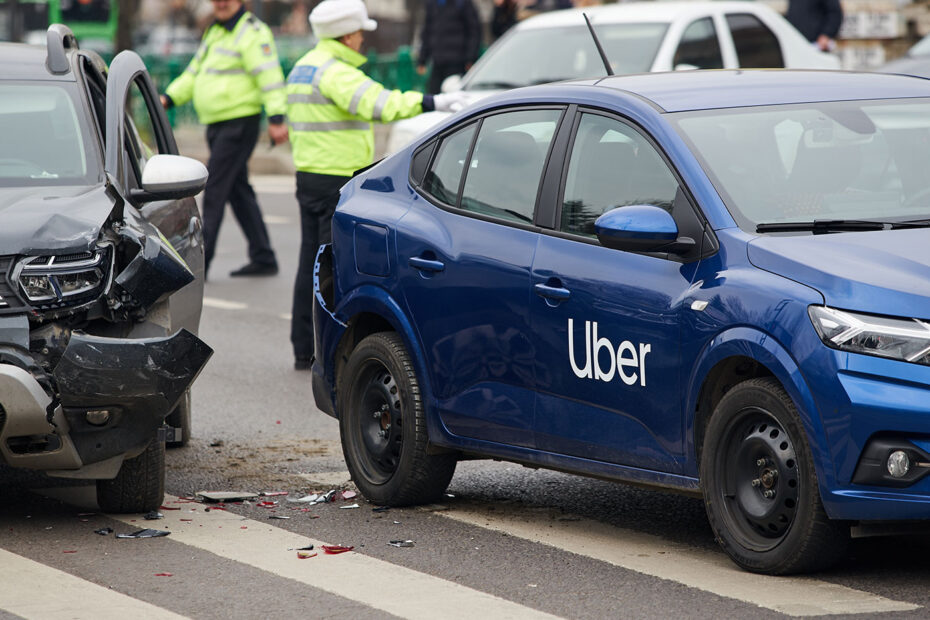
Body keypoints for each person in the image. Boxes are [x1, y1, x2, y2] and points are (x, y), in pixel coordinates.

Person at [287, 0, 465, 370]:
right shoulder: (337, 73)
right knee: (332, 269)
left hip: (308, 174)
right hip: (337, 176)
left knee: (311, 264)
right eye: (360, 33)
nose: (363, 40)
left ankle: (304, 346)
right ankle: (328, 351)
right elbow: (380, 105)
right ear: (348, 34)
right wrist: (433, 101)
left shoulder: (304, 67)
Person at [161, 0, 286, 278]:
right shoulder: (215, 31)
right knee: (238, 190)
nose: (221, 3)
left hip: (239, 124)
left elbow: (269, 75)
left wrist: (277, 118)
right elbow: (194, 73)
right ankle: (263, 256)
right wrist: (170, 97)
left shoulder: (252, 31)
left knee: (215, 189)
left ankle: (199, 266)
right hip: (218, 125)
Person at [417, 0, 481, 94]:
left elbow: (474, 31)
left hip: (457, 63)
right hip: (437, 61)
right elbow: (427, 32)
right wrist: (422, 60)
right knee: (434, 97)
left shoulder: (462, 3)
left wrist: (470, 59)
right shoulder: (432, 4)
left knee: (454, 96)